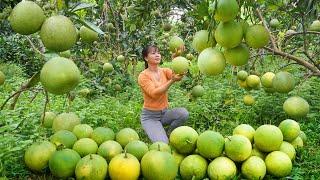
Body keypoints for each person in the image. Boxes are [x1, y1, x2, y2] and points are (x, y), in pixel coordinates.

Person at [138, 45, 189, 144]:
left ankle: (168, 133)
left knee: (183, 114)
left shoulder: (164, 71)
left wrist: (176, 59)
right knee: (163, 144)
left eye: (158, 53)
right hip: (150, 117)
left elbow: (177, 75)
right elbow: (154, 93)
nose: (157, 55)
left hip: (164, 113)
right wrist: (171, 81)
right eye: (153, 53)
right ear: (146, 58)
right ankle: (155, 129)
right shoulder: (143, 76)